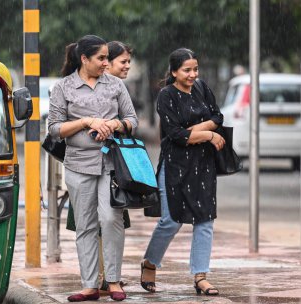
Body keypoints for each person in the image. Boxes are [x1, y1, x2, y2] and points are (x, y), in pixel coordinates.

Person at [48, 35, 138, 302]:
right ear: (84, 59)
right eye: (100, 58)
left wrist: (113, 125)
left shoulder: (116, 85)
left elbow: (132, 119)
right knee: (85, 225)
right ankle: (89, 285)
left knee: (111, 219)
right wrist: (87, 121)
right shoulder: (63, 87)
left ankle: (113, 281)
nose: (105, 63)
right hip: (78, 165)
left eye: (107, 58)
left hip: (111, 164)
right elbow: (54, 129)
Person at [140, 48, 225, 296]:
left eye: (195, 69)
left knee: (205, 219)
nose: (192, 74)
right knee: (171, 220)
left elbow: (217, 115)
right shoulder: (166, 96)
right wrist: (208, 134)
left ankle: (200, 276)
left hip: (203, 164)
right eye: (187, 70)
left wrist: (194, 131)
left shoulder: (201, 88)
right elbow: (176, 136)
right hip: (176, 165)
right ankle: (150, 262)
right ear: (174, 71)